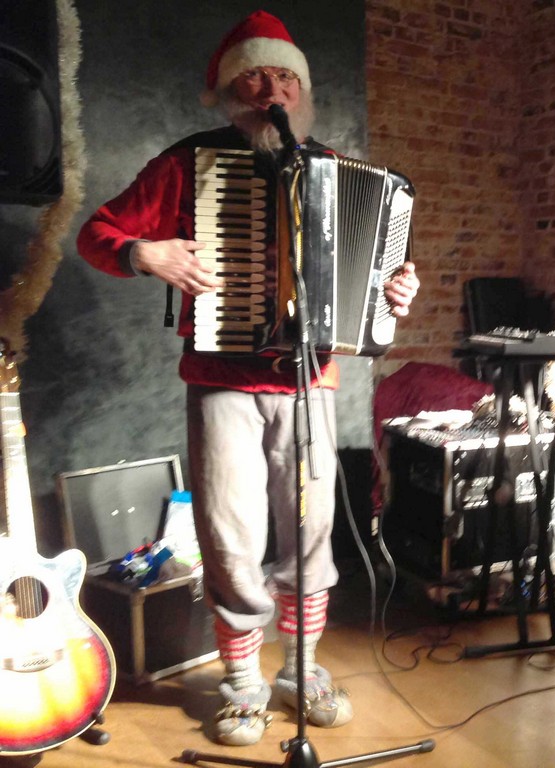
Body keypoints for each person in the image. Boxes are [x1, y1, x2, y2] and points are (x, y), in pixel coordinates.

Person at [77, 11, 419, 747]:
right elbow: (96, 234)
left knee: (312, 534)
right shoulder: (186, 164)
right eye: (255, 77)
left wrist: (393, 292)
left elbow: (377, 277)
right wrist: (146, 254)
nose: (272, 90)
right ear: (230, 90)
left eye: (285, 77)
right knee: (231, 536)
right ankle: (241, 681)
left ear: (302, 91)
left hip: (310, 381)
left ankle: (302, 670)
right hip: (222, 379)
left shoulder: (335, 168)